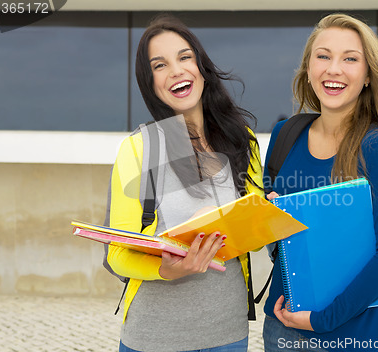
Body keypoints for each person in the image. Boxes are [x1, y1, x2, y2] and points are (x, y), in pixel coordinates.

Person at [262, 13, 378, 351]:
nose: (334, 69)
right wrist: (266, 219)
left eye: (350, 59)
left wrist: (322, 319)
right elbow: (278, 247)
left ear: (368, 75)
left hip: (357, 334)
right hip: (284, 330)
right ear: (308, 69)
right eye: (323, 56)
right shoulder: (284, 136)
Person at [105, 15, 263, 352]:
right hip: (154, 338)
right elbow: (116, 253)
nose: (176, 70)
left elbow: (254, 241)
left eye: (184, 57)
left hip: (229, 334)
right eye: (159, 65)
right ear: (151, 83)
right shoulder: (139, 147)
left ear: (201, 66)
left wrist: (264, 217)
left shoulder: (242, 139)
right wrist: (166, 270)